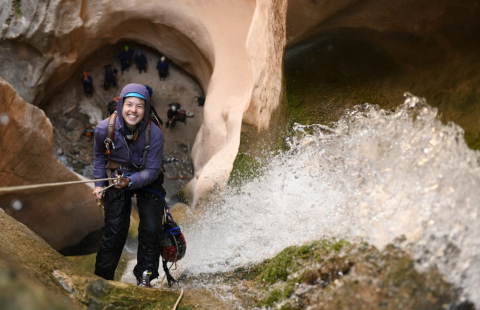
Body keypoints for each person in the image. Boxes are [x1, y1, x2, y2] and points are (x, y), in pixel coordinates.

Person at [92, 83, 166, 287]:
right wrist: (99, 184)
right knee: (114, 231)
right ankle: (102, 278)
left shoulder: (154, 134)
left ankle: (146, 276)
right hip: (117, 178)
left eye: (139, 106)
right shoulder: (103, 129)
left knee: (151, 229)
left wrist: (131, 181)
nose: (133, 110)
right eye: (129, 104)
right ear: (121, 105)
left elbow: (152, 171)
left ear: (146, 108)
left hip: (146, 179)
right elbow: (99, 157)